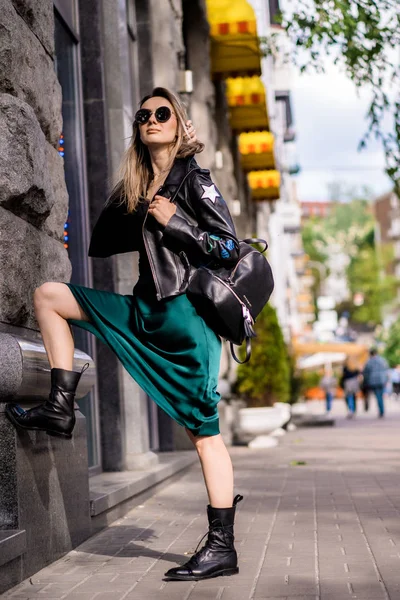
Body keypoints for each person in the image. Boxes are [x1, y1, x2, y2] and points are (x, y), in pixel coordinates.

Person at [6, 87, 244, 581]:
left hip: (186, 323)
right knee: (50, 295)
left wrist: (178, 223)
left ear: (179, 125)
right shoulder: (138, 184)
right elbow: (106, 237)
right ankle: (60, 405)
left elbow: (228, 247)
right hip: (143, 309)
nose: (152, 119)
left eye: (163, 113)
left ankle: (222, 547)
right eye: (144, 115)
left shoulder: (196, 182)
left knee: (204, 437)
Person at [362, 348, 389, 418]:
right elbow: (387, 371)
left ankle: (381, 411)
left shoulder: (369, 361)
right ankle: (382, 410)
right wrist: (386, 380)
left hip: (373, 381)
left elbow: (366, 373)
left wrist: (366, 381)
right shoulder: (382, 360)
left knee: (378, 396)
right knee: (381, 395)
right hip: (382, 380)